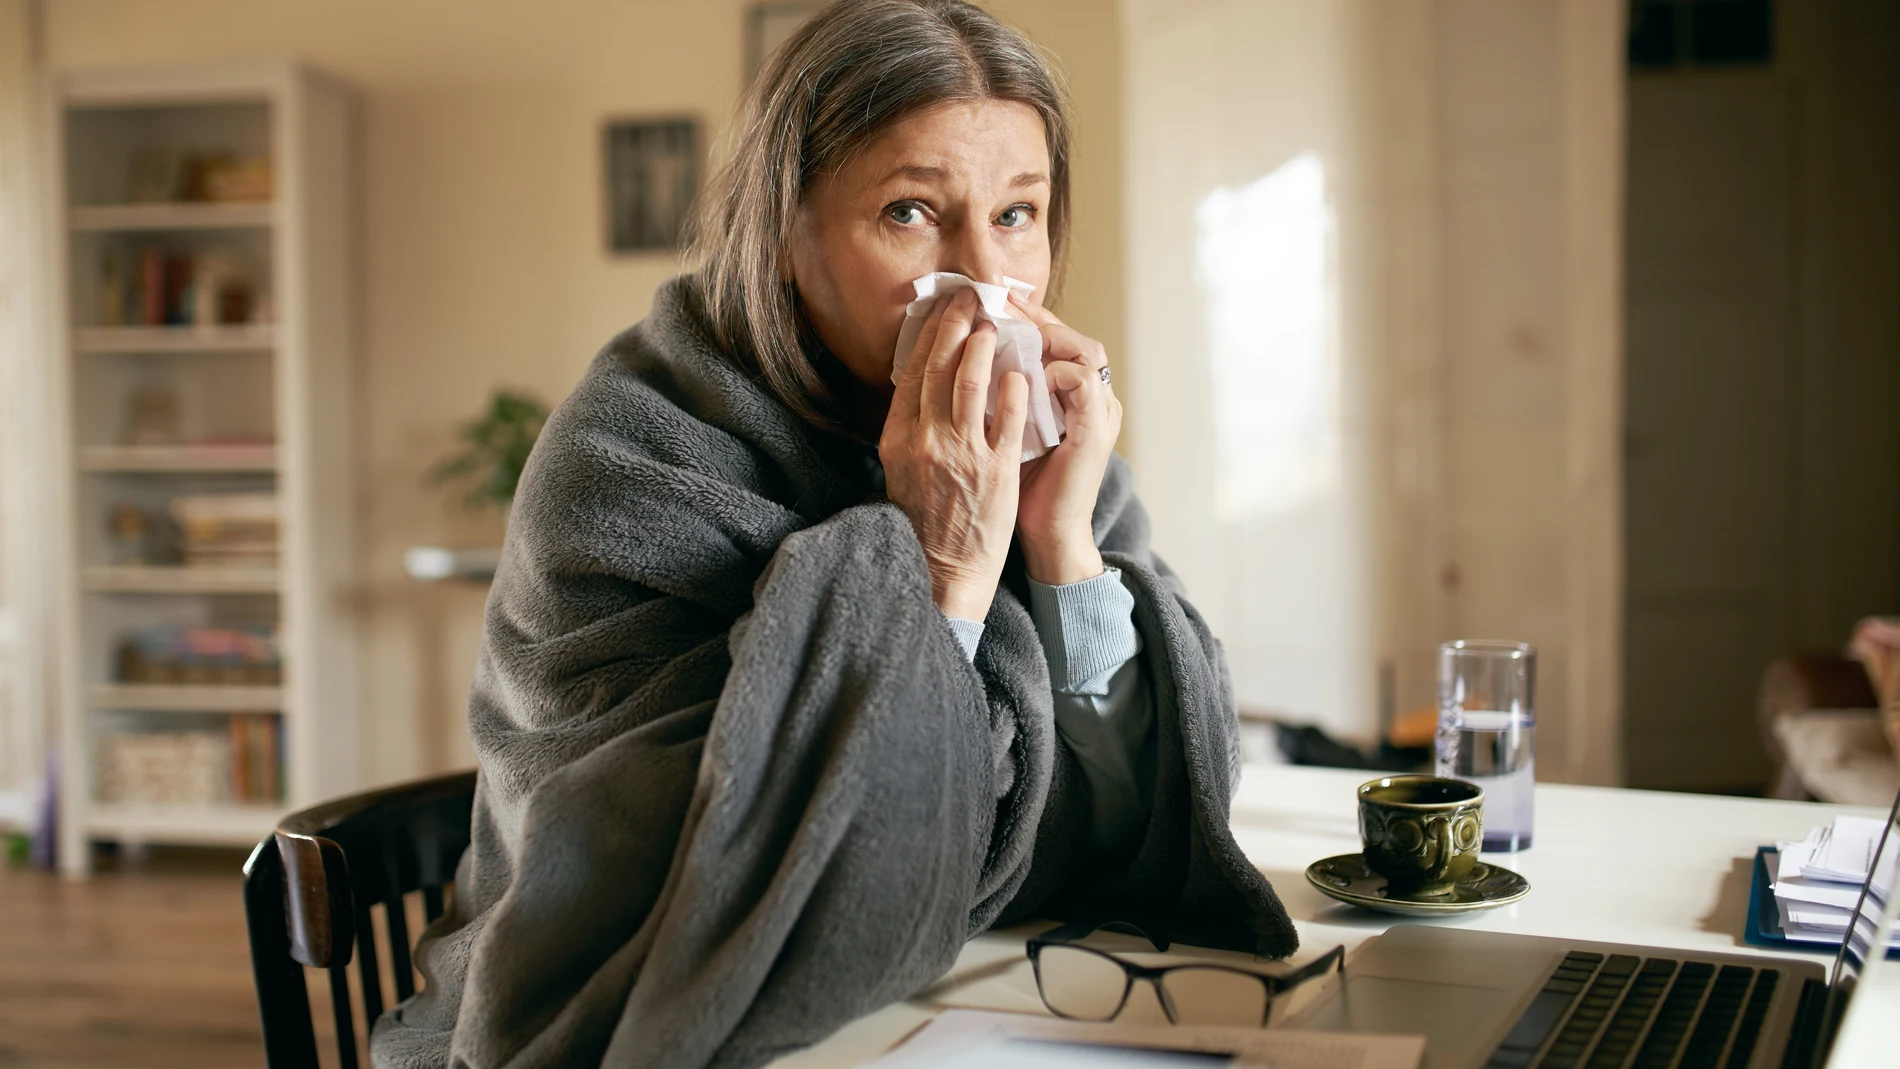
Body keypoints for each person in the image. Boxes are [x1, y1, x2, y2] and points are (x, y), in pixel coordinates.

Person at [372, 3, 1293, 1067]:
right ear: (782, 230)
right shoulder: (631, 457)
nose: (985, 279)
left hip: (965, 1004)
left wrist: (1061, 549)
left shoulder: (1035, 447)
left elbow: (1145, 832)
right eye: (909, 212)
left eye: (1017, 214)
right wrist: (938, 563)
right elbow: (737, 899)